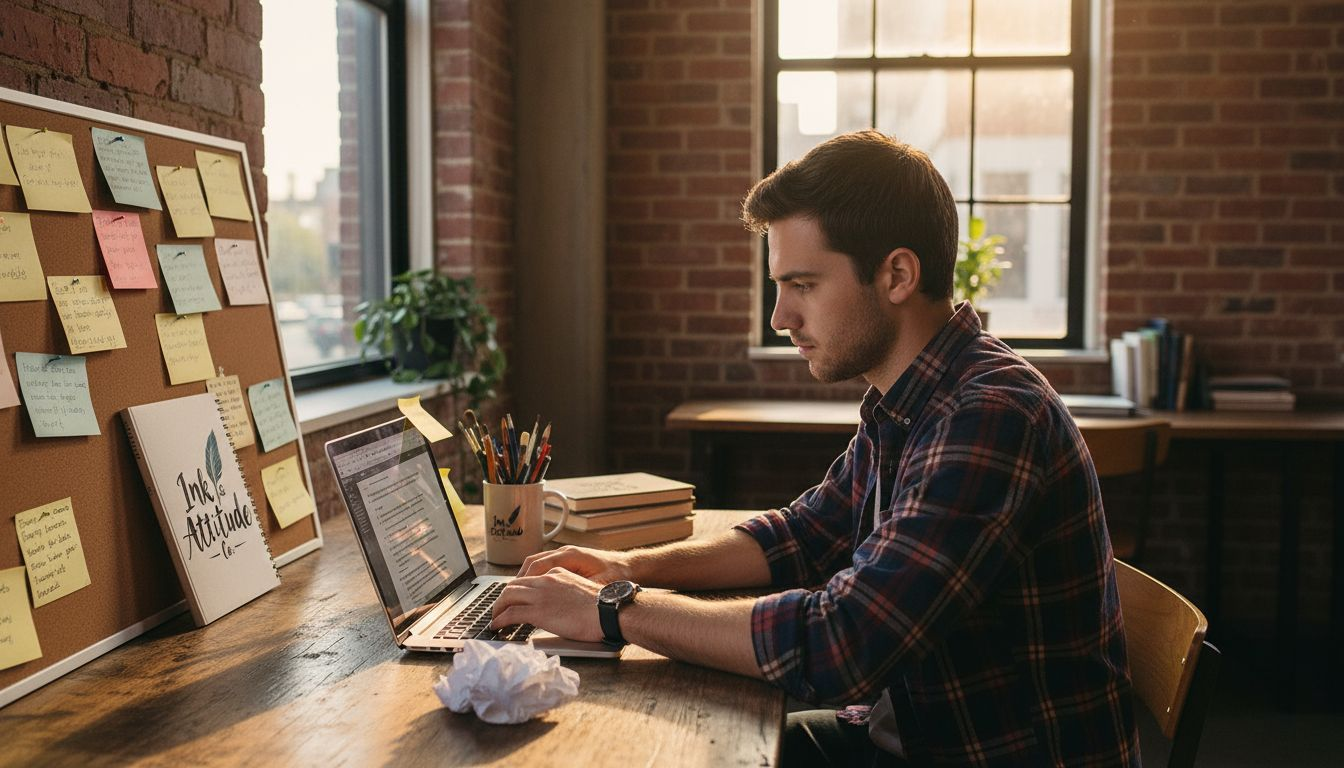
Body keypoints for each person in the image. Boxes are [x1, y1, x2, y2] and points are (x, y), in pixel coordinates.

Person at [491, 130, 1139, 766]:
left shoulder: (991, 414)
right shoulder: (909, 400)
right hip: (910, 730)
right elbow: (802, 535)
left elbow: (845, 642)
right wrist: (626, 569)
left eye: (802, 284)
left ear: (897, 275)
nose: (780, 317)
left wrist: (612, 612)